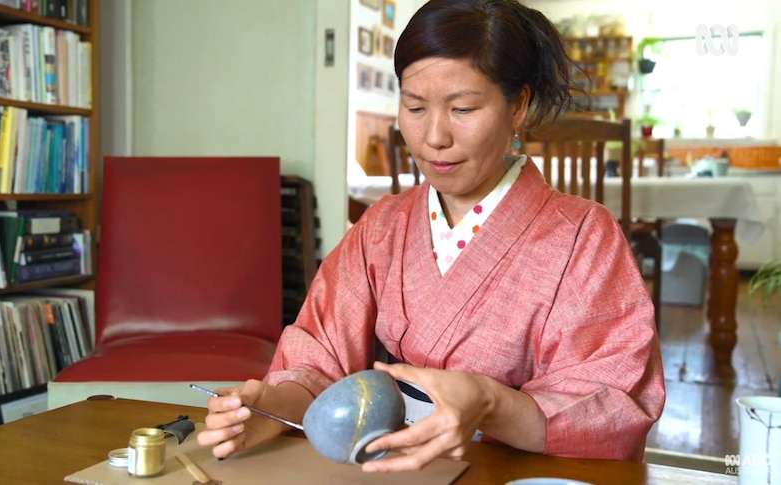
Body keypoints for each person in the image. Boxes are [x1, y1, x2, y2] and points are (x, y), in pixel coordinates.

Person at [197, 0, 665, 472]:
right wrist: (271, 409)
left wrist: (490, 403)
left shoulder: (584, 238)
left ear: (518, 105)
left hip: (515, 471)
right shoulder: (383, 226)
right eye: (415, 107)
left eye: (463, 108)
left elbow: (610, 404)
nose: (434, 137)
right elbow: (318, 360)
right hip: (391, 468)